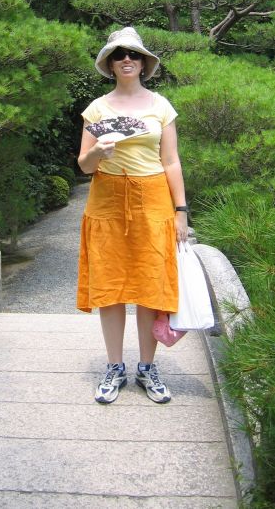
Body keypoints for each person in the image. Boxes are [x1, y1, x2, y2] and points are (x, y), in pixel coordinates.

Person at [77, 27, 188, 404]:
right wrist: (98, 154)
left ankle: (146, 367)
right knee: (109, 287)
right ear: (110, 63)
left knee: (149, 285)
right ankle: (114, 368)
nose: (127, 59)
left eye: (134, 55)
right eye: (119, 54)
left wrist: (181, 211)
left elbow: (171, 161)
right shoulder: (96, 109)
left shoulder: (161, 106)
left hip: (153, 197)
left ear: (143, 63)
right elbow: (84, 165)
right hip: (107, 197)